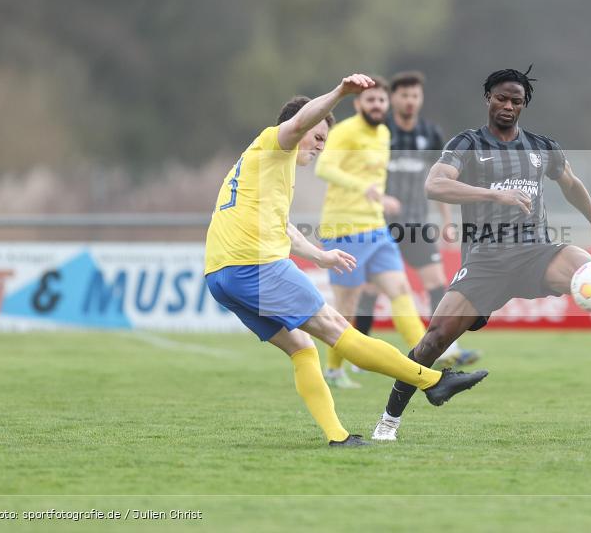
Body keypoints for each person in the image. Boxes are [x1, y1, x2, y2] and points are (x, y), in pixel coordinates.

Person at [371, 67, 591, 441]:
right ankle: (388, 421)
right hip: (485, 261)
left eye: (516, 101)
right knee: (434, 341)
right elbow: (435, 184)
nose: (508, 106)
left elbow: (570, 183)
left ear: (524, 105)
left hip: (533, 251)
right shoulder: (467, 144)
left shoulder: (542, 147)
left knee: (587, 268)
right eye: (501, 98)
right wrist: (493, 194)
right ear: (488, 98)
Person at [203, 74, 488, 447]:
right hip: (255, 266)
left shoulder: (262, 165)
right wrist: (340, 93)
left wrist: (319, 255)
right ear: (298, 127)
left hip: (220, 275)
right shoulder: (276, 143)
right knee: (340, 331)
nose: (321, 146)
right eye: (318, 137)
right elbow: (302, 121)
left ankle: (338, 437)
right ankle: (433, 381)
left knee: (302, 347)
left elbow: (282, 225)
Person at [352, 70, 481, 369]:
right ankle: (359, 355)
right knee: (370, 288)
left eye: (415, 95)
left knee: (436, 281)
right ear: (392, 99)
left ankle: (448, 346)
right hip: (380, 224)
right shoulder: (380, 131)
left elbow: (442, 178)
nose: (410, 101)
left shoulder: (431, 133)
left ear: (420, 99)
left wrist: (447, 219)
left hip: (418, 224)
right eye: (404, 95)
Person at [314, 76, 431, 389]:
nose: (377, 105)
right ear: (358, 104)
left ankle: (424, 361)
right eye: (370, 100)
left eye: (381, 100)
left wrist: (382, 198)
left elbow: (376, 179)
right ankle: (334, 370)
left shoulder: (383, 132)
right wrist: (363, 188)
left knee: (401, 290)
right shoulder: (346, 131)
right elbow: (323, 167)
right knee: (347, 306)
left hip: (376, 228)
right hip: (344, 229)